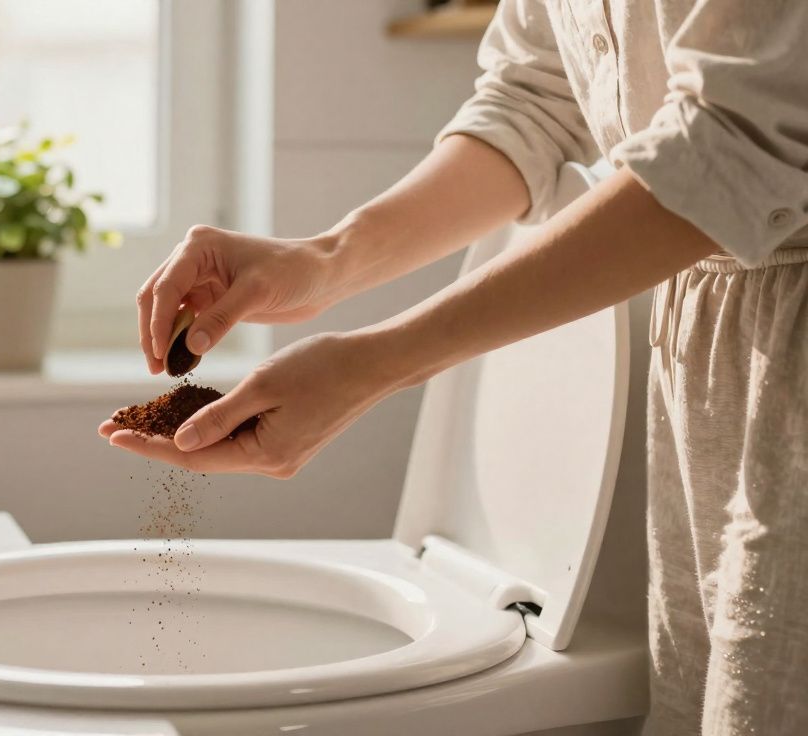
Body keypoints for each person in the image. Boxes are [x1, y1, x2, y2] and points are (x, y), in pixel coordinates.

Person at [98, 1, 808, 733]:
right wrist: (324, 259)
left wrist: (377, 364)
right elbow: (534, 96)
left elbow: (736, 139)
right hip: (701, 367)